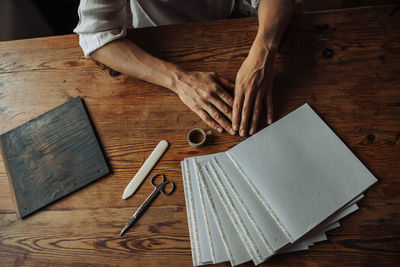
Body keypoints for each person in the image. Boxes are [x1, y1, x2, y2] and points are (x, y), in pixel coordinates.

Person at [74, 0, 294, 136]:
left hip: (230, 16)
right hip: (160, 43)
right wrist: (178, 80)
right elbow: (95, 36)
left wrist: (263, 51)